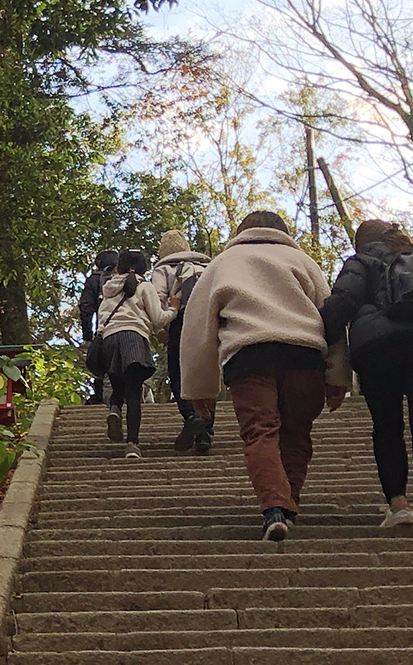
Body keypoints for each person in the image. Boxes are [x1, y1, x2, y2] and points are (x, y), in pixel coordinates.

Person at [178, 208, 349, 542]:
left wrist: (200, 387)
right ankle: (289, 507)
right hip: (305, 354)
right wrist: (338, 376)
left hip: (249, 354)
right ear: (283, 232)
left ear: (242, 231)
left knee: (260, 432)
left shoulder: (222, 263)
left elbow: (198, 327)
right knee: (297, 435)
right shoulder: (304, 262)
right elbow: (332, 318)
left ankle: (273, 509)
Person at [320, 220, 413, 540]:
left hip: (379, 351)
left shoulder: (362, 262)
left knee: (387, 427)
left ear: (361, 243)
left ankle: (399, 505)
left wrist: (322, 340)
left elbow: (343, 302)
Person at [143, 227, 213, 454]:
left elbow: (159, 297)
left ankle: (192, 415)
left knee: (179, 372)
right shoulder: (206, 266)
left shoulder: (163, 269)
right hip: (207, 321)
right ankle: (205, 433)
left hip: (181, 322)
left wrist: (161, 327)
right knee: (206, 374)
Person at [93, 247, 159, 457]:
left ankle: (114, 409)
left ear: (119, 267)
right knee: (133, 392)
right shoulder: (145, 287)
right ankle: (132, 444)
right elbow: (158, 319)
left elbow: (100, 320)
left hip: (109, 340)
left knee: (116, 382)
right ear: (142, 268)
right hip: (134, 338)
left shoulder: (107, 289)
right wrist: (173, 310)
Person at [78, 251, 121, 403]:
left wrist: (88, 337)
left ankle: (110, 407)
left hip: (105, 332)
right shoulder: (132, 279)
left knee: (107, 373)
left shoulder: (95, 280)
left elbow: (86, 308)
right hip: (134, 331)